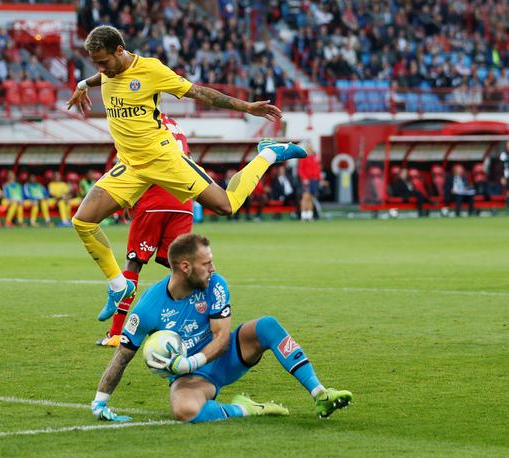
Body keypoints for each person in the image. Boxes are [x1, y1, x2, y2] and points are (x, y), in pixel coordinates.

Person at [66, 26, 305, 320]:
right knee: (83, 221)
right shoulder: (107, 72)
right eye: (95, 63)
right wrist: (82, 84)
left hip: (164, 159)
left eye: (103, 62)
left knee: (226, 205)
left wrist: (246, 107)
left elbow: (199, 92)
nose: (101, 69)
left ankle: (268, 153)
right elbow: (98, 76)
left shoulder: (150, 70)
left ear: (120, 51)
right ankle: (119, 287)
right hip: (130, 166)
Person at [91, 234, 353, 424]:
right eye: (206, 264)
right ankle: (246, 409)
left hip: (225, 356)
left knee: (268, 326)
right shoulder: (147, 309)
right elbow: (122, 357)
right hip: (192, 379)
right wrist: (99, 402)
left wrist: (189, 361)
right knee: (184, 411)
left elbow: (221, 338)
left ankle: (320, 393)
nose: (213, 269)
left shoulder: (215, 284)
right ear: (185, 267)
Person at [97, 114, 194, 346]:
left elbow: (129, 163)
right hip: (184, 202)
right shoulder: (176, 125)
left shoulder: (138, 120)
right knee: (181, 268)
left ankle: (116, 333)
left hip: (153, 200)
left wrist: (127, 200)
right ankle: (188, 330)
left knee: (134, 264)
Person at [298, 143, 321, 221]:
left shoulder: (315, 157)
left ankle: (310, 215)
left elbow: (318, 168)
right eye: (308, 146)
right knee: (305, 197)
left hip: (314, 180)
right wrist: (304, 178)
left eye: (310, 146)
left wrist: (319, 178)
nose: (310, 148)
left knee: (311, 197)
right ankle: (303, 215)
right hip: (307, 180)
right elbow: (300, 169)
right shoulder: (303, 157)